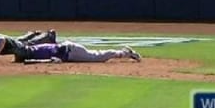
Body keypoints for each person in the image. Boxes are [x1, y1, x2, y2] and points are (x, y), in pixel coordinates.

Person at [12, 39, 141, 63]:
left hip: (71, 51)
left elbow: (56, 54)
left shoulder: (37, 52)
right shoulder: (36, 49)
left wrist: (57, 60)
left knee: (96, 57)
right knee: (96, 55)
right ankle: (124, 53)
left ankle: (126, 53)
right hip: (69, 49)